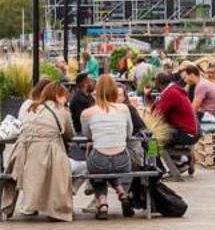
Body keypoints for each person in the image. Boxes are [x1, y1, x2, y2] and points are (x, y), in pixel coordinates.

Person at [8, 80, 75, 222]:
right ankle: (56, 207)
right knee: (72, 167)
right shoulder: (61, 111)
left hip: (23, 157)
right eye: (64, 97)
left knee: (40, 167)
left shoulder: (29, 107)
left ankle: (30, 204)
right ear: (57, 96)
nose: (65, 100)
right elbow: (70, 135)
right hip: (49, 155)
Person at [81, 74, 136, 219]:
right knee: (109, 165)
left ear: (96, 91)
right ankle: (121, 192)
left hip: (99, 160)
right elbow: (129, 134)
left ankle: (103, 204)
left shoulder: (87, 113)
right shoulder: (124, 109)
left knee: (98, 168)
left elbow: (88, 135)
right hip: (122, 160)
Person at [150, 70, 200, 168]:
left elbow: (156, 115)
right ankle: (182, 159)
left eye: (155, 83)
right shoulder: (174, 90)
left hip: (186, 134)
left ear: (159, 83)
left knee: (151, 139)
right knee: (157, 135)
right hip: (189, 132)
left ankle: (155, 168)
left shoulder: (170, 93)